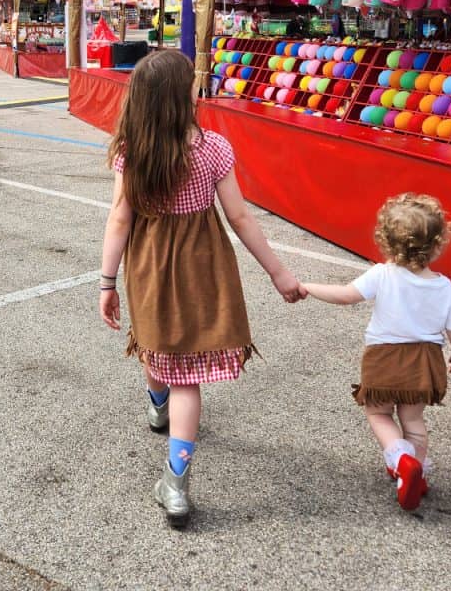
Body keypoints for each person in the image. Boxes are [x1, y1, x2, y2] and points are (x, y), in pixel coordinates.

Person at [99, 49, 305, 527]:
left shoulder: (133, 153)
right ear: (181, 96)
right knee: (186, 375)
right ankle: (175, 484)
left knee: (158, 349)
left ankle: (158, 410)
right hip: (203, 265)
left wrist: (106, 282)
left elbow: (119, 218)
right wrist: (278, 272)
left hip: (150, 266)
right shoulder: (213, 147)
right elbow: (240, 216)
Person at [303, 193, 451, 512]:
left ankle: (400, 458)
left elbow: (346, 296)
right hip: (425, 362)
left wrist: (307, 286)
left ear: (387, 242)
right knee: (414, 420)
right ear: (437, 245)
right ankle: (416, 472)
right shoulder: (447, 288)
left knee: (379, 413)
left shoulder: (383, 274)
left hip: (384, 359)